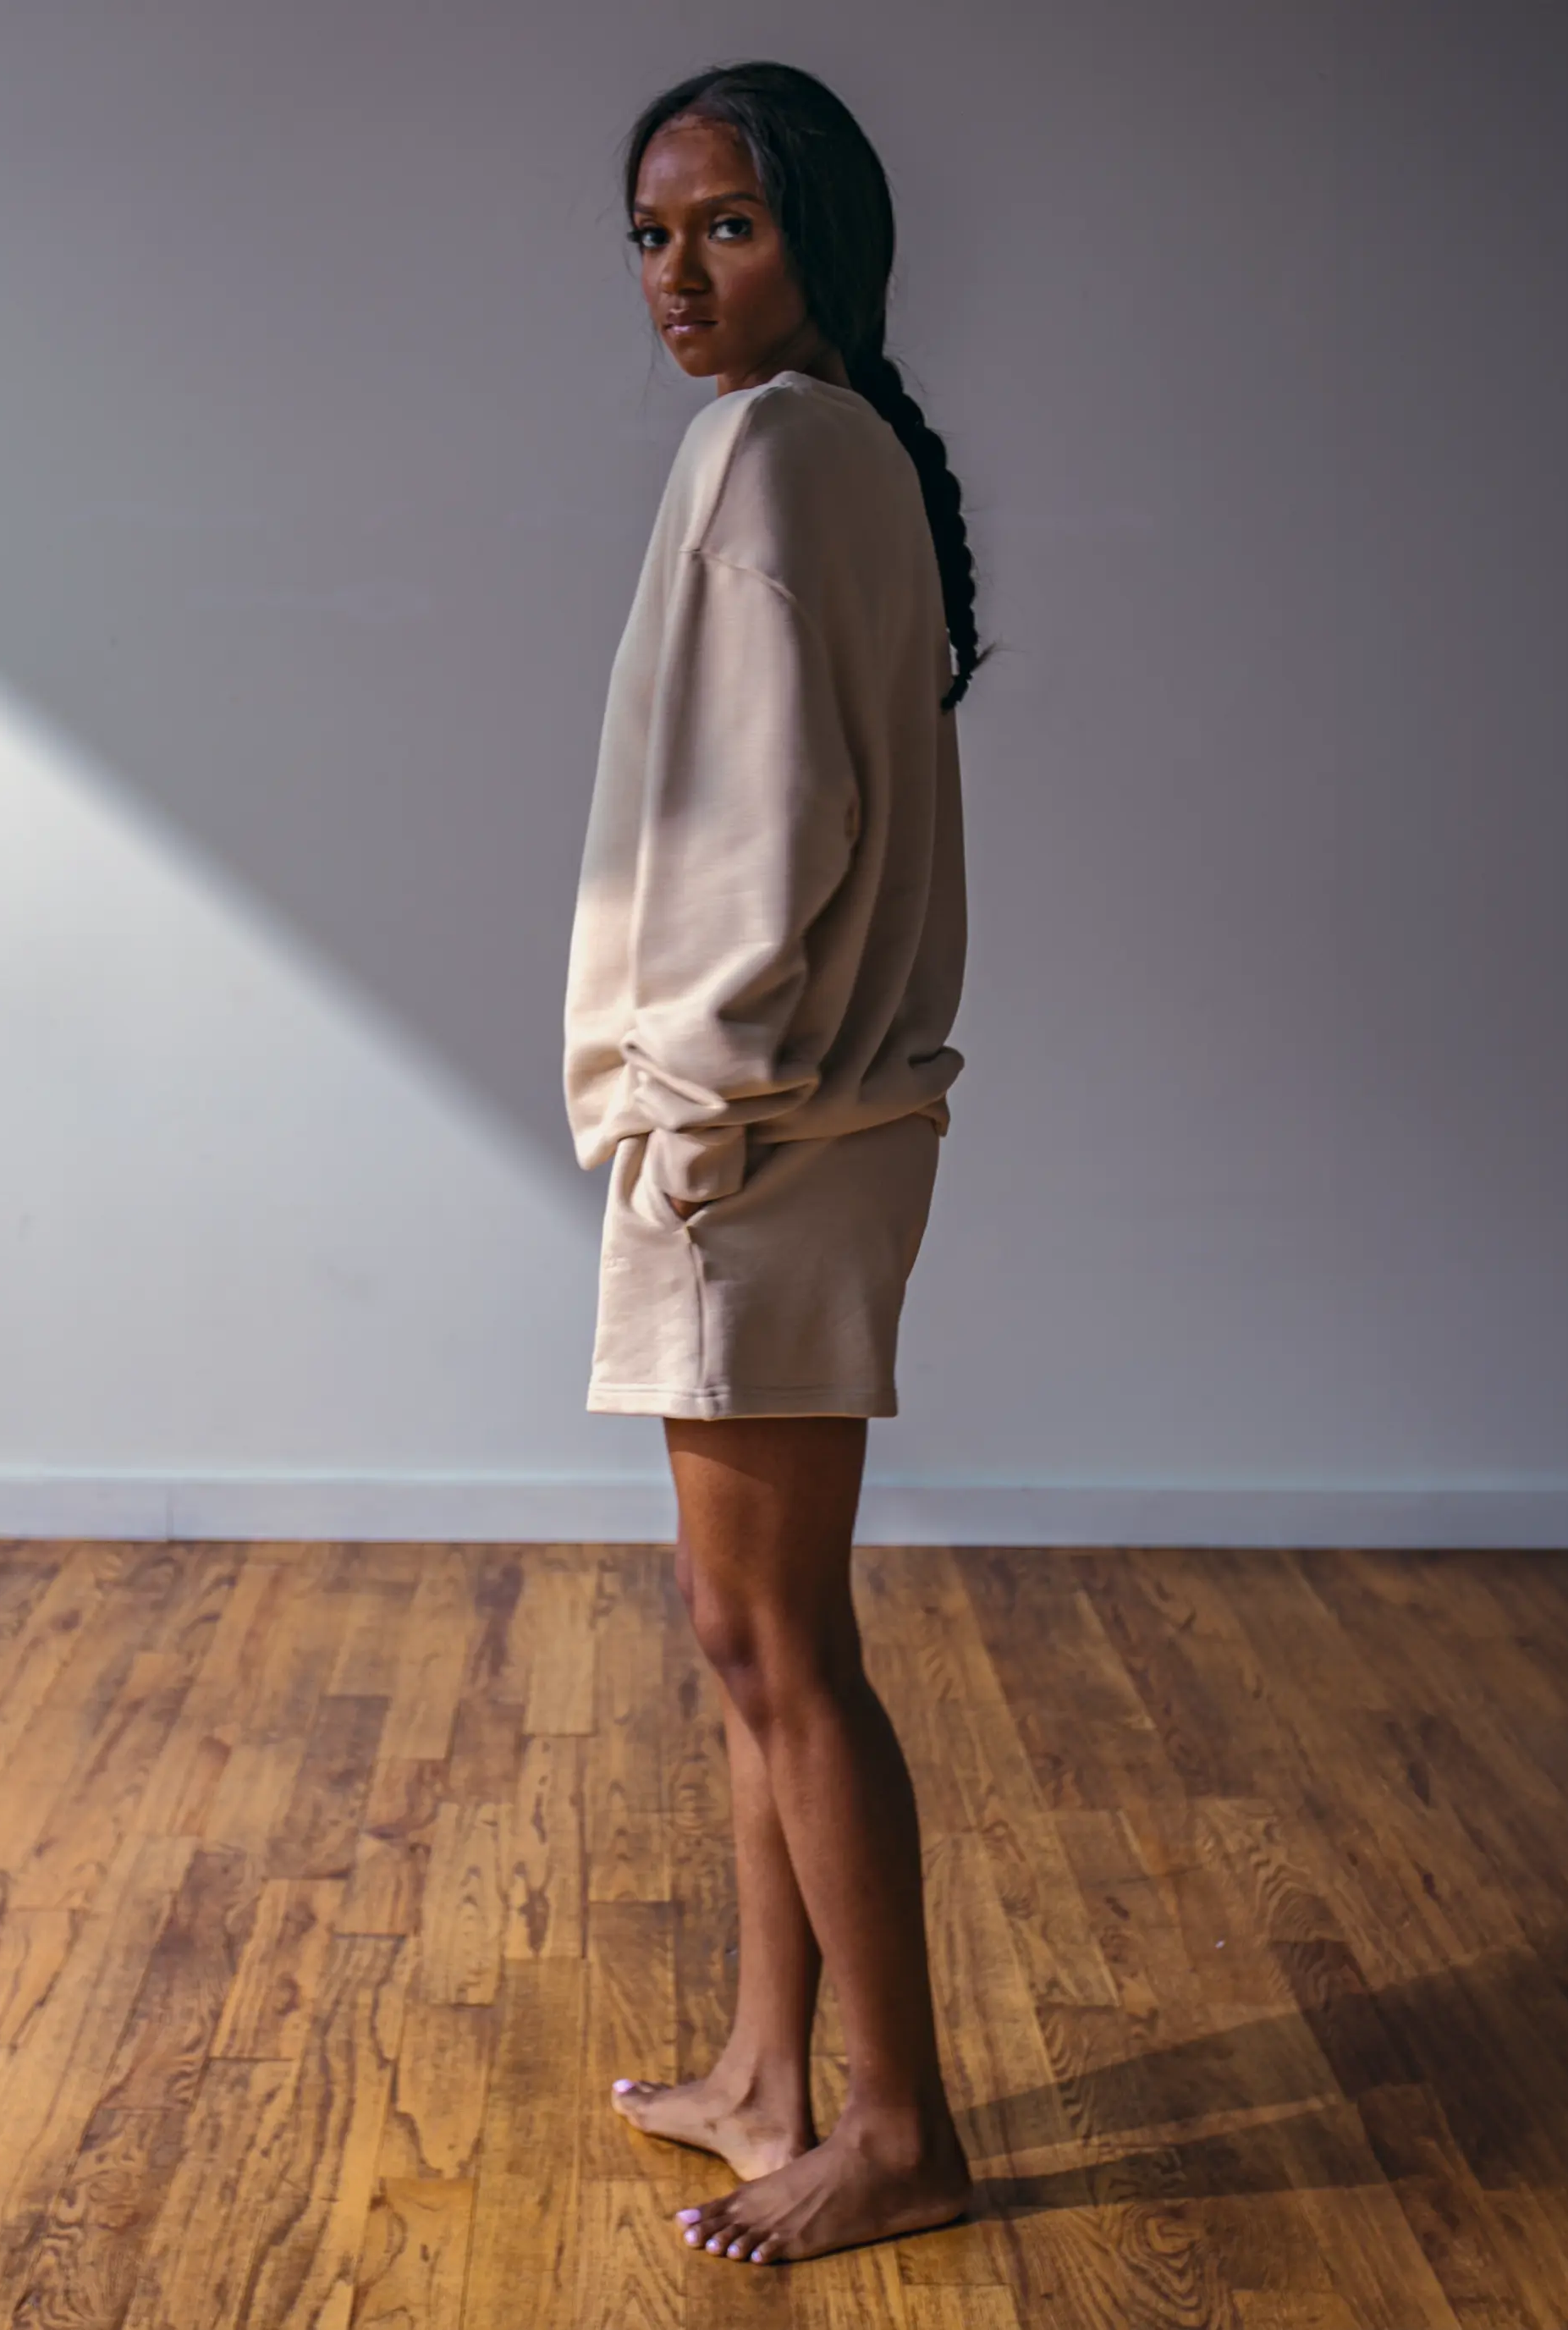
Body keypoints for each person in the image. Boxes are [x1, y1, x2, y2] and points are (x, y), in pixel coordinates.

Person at [561, 58, 994, 2268]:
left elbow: (766, 822)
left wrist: (689, 1102)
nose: (677, 274)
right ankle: (762, 2069)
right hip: (809, 1123)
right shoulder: (846, 450)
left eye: (723, 225)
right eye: (651, 235)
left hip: (761, 1137)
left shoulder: (767, 451)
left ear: (820, 232)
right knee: (748, 1634)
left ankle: (898, 2127)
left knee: (779, 1639)